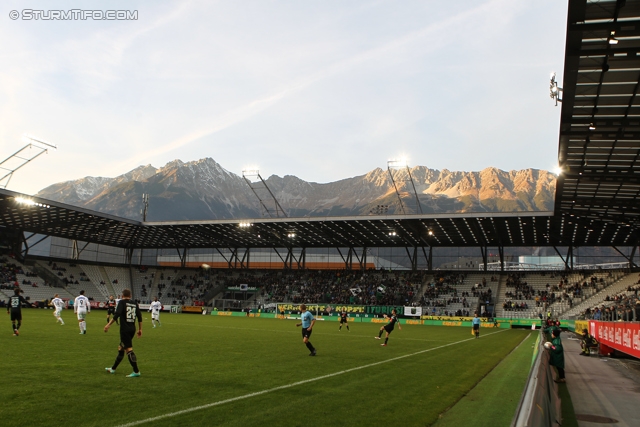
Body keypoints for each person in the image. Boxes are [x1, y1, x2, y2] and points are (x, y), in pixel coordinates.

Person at [104, 288, 143, 377]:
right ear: (130, 296)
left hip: (125, 329)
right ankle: (113, 369)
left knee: (128, 349)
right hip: (132, 329)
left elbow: (117, 314)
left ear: (122, 296)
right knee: (121, 348)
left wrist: (108, 325)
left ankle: (136, 371)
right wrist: (140, 329)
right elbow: (139, 317)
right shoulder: (134, 303)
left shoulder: (121, 302)